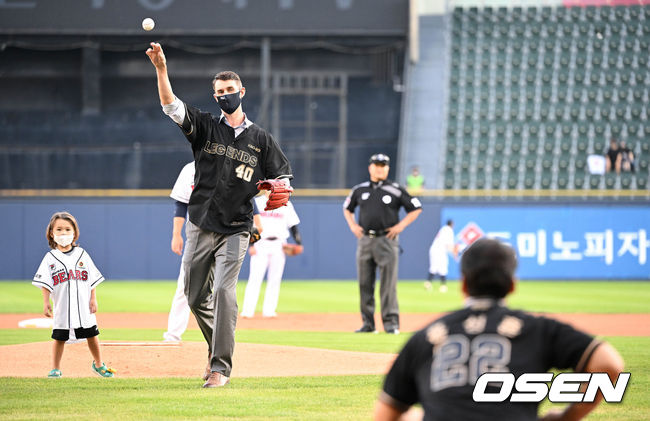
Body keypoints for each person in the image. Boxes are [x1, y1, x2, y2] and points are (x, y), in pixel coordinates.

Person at [146, 42, 292, 388]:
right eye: (220, 92)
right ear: (215, 98)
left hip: (237, 226)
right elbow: (171, 107)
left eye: (230, 90)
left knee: (226, 292)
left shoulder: (261, 139)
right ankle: (217, 350)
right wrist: (161, 69)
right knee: (195, 296)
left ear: (242, 91)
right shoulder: (206, 127)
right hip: (200, 223)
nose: (226, 96)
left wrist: (277, 189)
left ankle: (220, 368)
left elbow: (284, 177)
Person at [374, 238, 625, 421]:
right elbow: (610, 365)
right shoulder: (539, 330)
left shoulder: (428, 336)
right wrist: (567, 417)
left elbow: (385, 415)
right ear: (512, 285)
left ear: (463, 284)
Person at [163, 161, 263, 342]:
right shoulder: (190, 169)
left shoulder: (232, 165)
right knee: (185, 287)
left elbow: (247, 196)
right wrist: (176, 235)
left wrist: (256, 223)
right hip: (199, 237)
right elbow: (181, 203)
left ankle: (220, 339)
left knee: (221, 290)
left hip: (227, 236)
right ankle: (173, 335)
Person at [343, 153, 422, 334]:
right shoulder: (359, 190)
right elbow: (347, 209)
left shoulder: (396, 189)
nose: (380, 168)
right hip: (365, 240)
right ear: (370, 167)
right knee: (365, 283)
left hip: (387, 240)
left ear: (388, 168)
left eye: (383, 165)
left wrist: (401, 225)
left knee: (388, 284)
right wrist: (353, 226)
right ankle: (368, 324)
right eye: (377, 165)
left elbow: (416, 208)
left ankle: (391, 324)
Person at [32, 212, 115, 378]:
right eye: (59, 229)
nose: (63, 233)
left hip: (84, 304)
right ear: (51, 233)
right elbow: (44, 283)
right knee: (59, 337)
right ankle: (55, 368)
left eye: (67, 229)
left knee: (92, 334)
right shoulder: (50, 258)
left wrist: (94, 299)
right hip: (62, 305)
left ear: (74, 233)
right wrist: (46, 302)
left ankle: (98, 364)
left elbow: (91, 279)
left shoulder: (82, 254)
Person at [241, 191, 302, 319]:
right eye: (269, 188)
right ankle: (247, 311)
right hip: (260, 243)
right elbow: (250, 224)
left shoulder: (286, 203)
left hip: (279, 244)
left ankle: (269, 311)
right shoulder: (257, 202)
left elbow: (293, 226)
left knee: (275, 279)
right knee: (255, 278)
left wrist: (298, 242)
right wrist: (251, 245)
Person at [425, 219, 457, 293]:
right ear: (452, 224)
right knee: (443, 267)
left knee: (434, 267)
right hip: (440, 251)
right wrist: (454, 252)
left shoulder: (443, 229)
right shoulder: (449, 230)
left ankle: (428, 283)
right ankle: (443, 286)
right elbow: (449, 245)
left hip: (433, 249)